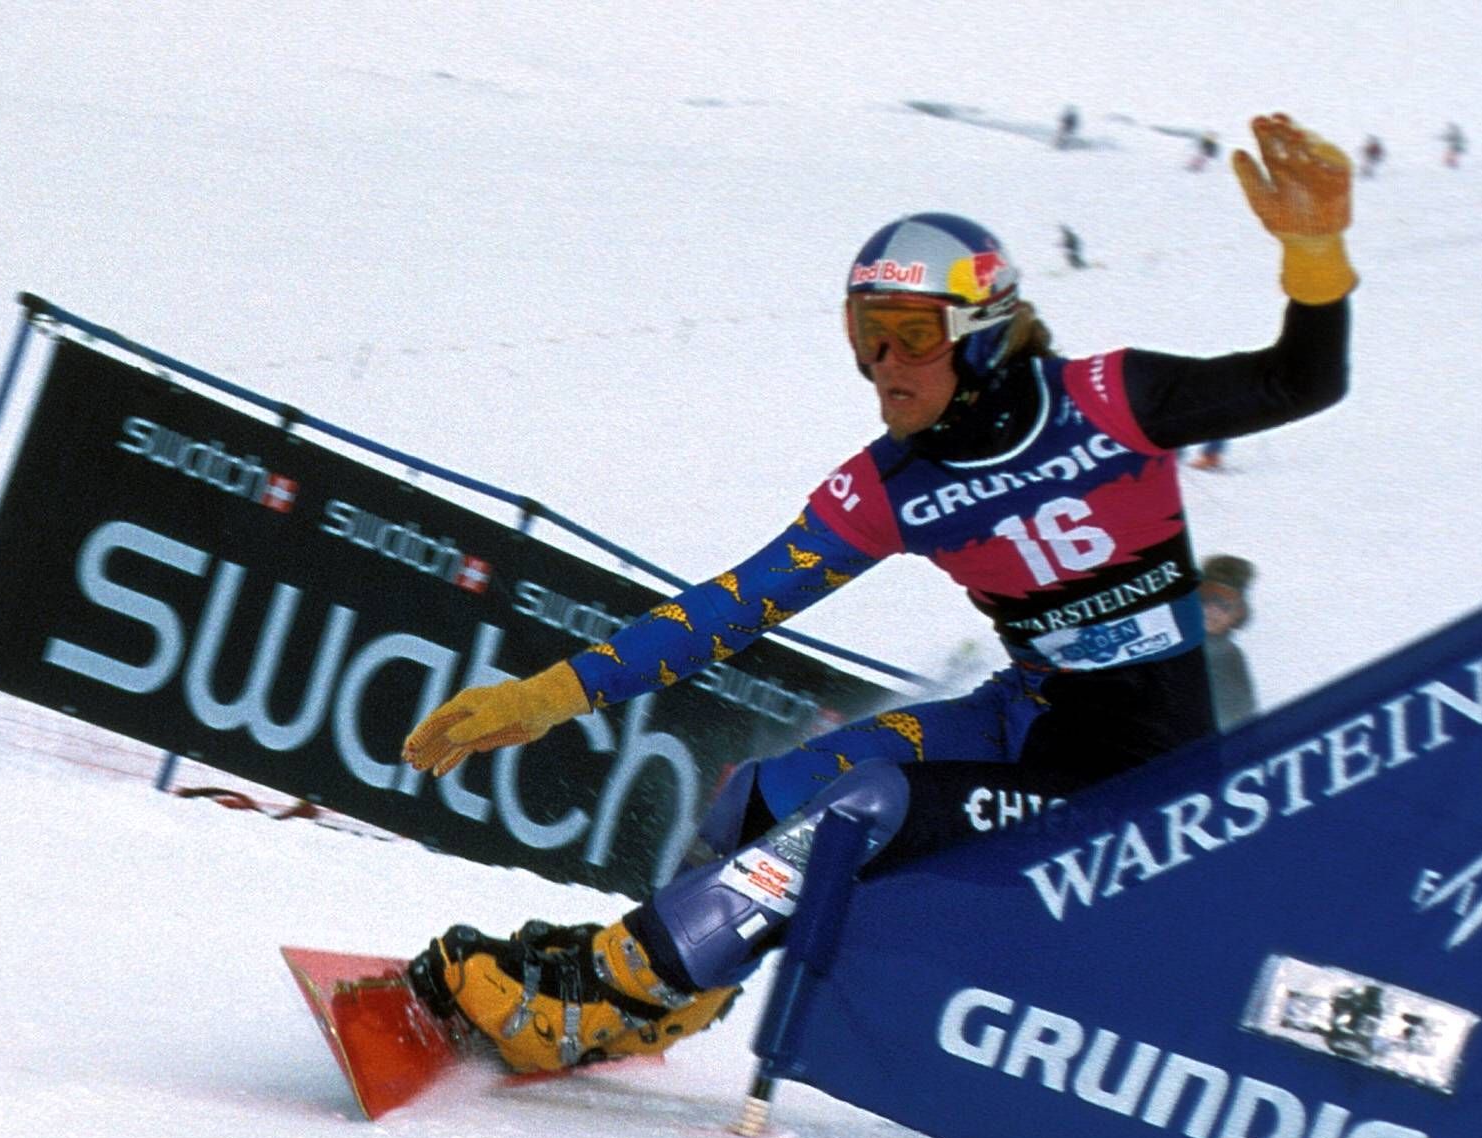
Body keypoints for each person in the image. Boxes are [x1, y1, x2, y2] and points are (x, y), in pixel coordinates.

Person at [398, 112, 1357, 1074]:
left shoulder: (1110, 400)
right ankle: (660, 997)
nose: (884, 365)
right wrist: (549, 694)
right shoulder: (891, 484)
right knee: (768, 792)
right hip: (1028, 721)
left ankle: (610, 989)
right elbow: (735, 605)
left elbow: (1298, 382)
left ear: (983, 336)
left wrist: (1314, 255)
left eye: (909, 335)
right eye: (867, 337)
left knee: (862, 809)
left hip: (1136, 788)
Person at [1199, 554, 1257, 730]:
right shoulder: (1167, 644)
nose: (1213, 609)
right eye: (1206, 597)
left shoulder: (1231, 658)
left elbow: (1241, 725)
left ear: (1238, 613)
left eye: (1225, 603)